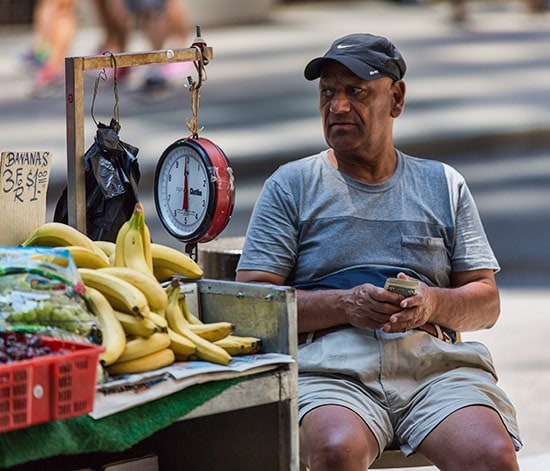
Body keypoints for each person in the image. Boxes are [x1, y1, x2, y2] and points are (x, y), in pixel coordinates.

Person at [235, 33, 522, 470]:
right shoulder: (290, 185)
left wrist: (430, 303)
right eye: (328, 93)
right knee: (336, 450)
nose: (338, 107)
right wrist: (345, 305)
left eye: (357, 91)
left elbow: (486, 302)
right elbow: (250, 305)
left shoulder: (442, 184)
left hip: (434, 367)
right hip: (331, 370)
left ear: (397, 98)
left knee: (492, 457)